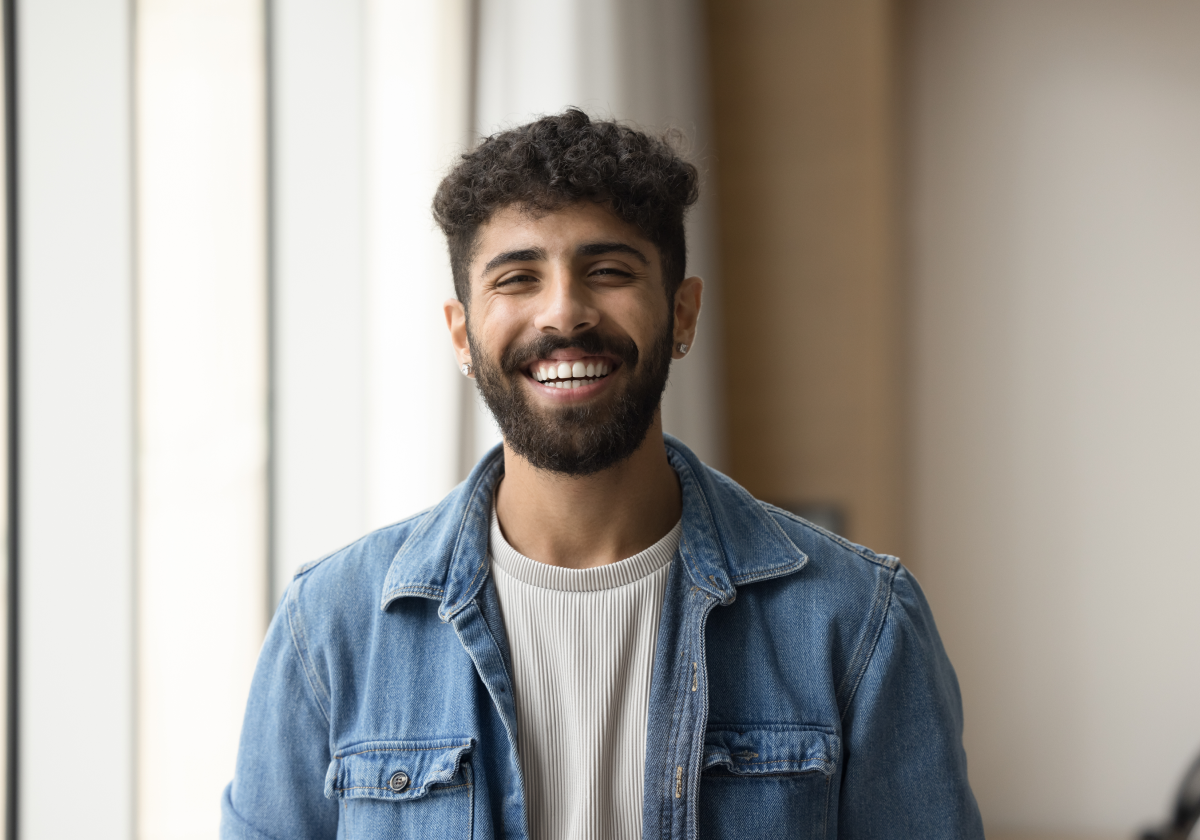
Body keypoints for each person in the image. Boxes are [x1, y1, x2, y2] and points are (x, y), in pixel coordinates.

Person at [221, 108, 984, 840]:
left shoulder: (858, 620)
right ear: (461, 334)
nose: (564, 313)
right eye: (517, 279)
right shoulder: (330, 626)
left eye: (609, 270)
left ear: (682, 314)